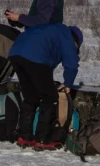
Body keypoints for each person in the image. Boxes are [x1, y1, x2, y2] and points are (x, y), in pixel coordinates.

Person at [6, 23, 83, 151]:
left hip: (15, 53)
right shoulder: (67, 36)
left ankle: (24, 137)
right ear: (76, 42)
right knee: (50, 98)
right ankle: (42, 139)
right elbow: (71, 63)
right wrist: (68, 83)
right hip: (35, 56)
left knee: (30, 97)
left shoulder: (53, 29)